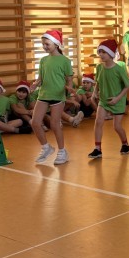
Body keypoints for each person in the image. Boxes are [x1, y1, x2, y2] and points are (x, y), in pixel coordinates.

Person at [31, 29, 74, 165]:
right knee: (35, 122)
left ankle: (62, 151)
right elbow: (40, 79)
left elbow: (69, 79)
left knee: (55, 125)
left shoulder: (65, 61)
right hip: (43, 94)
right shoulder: (43, 60)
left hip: (57, 96)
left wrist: (69, 89)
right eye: (43, 44)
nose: (44, 46)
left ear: (56, 44)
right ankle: (46, 147)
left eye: (47, 44)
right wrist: (34, 85)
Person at [87, 39, 129, 159]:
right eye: (99, 52)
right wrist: (94, 92)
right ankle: (98, 149)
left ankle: (125, 143)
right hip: (104, 100)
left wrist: (117, 98)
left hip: (118, 101)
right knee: (98, 122)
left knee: (117, 126)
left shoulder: (119, 69)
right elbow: (98, 82)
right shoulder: (99, 67)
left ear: (111, 53)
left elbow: (128, 85)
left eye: (104, 52)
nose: (101, 54)